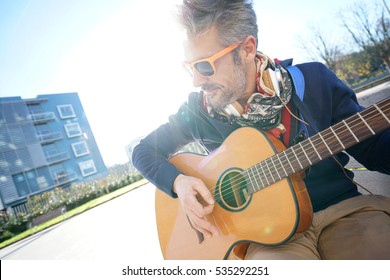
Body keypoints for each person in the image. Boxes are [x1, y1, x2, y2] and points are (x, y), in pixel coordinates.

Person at [132, 0, 390, 260]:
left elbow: (374, 148)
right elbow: (143, 151)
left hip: (344, 211)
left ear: (247, 48)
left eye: (204, 66)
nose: (197, 81)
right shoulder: (197, 112)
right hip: (270, 241)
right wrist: (179, 183)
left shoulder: (312, 81)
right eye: (189, 67)